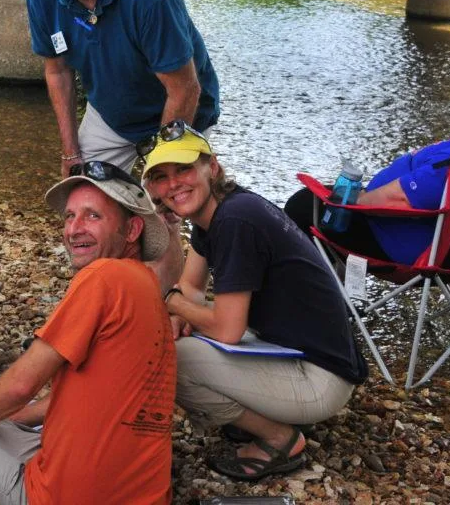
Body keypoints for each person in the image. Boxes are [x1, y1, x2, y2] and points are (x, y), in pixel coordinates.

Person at [0, 163, 176, 505]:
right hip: (147, 495)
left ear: (132, 230)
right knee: (2, 415)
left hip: (61, 497)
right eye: (69, 216)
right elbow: (88, 397)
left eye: (93, 216)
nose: (74, 230)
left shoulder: (102, 276)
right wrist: (9, 415)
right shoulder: (148, 289)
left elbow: (24, 383)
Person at [142, 124, 368, 481]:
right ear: (152, 187)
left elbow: (227, 329)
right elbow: (192, 288)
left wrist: (171, 303)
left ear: (211, 167)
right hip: (306, 354)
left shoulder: (234, 221)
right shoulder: (219, 211)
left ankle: (280, 438)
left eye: (183, 169)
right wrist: (179, 314)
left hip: (322, 379)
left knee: (171, 360)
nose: (173, 184)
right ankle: (261, 412)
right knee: (180, 337)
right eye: (160, 177)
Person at [23, 0, 220, 177]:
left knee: (173, 201)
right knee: (86, 198)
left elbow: (185, 88)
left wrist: (163, 167)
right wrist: (70, 152)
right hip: (113, 114)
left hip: (184, 111)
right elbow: (58, 72)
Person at [284, 137, 450, 266]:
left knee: (304, 204)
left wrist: (356, 199)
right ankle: (335, 290)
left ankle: (319, 298)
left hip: (409, 248)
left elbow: (400, 199)